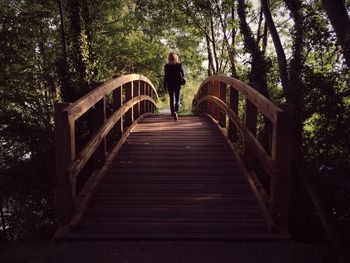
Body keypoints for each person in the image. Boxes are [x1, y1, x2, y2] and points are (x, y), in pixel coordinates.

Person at [163, 52, 185, 121]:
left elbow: (165, 77)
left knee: (171, 99)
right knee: (177, 99)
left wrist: (164, 84)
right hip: (177, 84)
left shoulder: (166, 66)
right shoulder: (178, 65)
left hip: (170, 84)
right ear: (176, 58)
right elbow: (183, 74)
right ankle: (176, 111)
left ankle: (172, 113)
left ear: (169, 58)